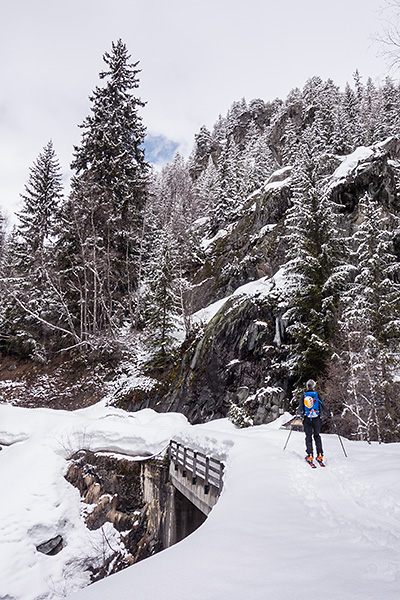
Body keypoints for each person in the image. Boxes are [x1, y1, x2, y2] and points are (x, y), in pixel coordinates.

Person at [297, 379, 333, 465]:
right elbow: (323, 406)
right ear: (313, 387)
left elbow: (300, 408)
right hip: (316, 419)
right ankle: (320, 455)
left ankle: (310, 455)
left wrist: (298, 413)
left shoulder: (304, 396)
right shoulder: (317, 395)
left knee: (308, 437)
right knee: (317, 436)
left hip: (307, 419)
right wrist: (329, 414)